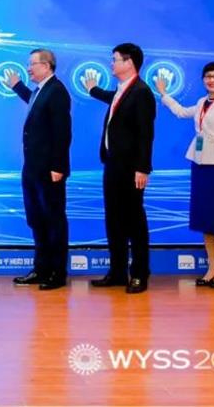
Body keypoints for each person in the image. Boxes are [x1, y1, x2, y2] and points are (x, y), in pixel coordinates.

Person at [157, 62, 214, 288]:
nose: (212, 80)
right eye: (208, 76)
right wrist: (164, 94)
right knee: (205, 218)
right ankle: (211, 267)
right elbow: (181, 112)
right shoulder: (201, 102)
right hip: (200, 164)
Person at [84, 43, 156, 294]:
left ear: (129, 63)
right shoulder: (122, 90)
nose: (111, 63)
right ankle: (117, 272)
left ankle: (139, 273)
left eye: (115, 59)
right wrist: (93, 90)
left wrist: (142, 168)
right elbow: (113, 101)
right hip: (113, 164)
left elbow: (145, 134)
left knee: (134, 221)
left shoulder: (142, 92)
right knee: (114, 219)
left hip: (131, 169)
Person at [7, 48, 73, 291]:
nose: (28, 68)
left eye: (32, 64)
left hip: (49, 170)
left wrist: (58, 166)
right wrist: (18, 87)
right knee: (37, 220)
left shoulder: (57, 91)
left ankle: (57, 273)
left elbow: (62, 132)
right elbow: (36, 107)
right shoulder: (40, 90)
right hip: (33, 168)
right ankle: (41, 268)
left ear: (46, 65)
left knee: (54, 220)